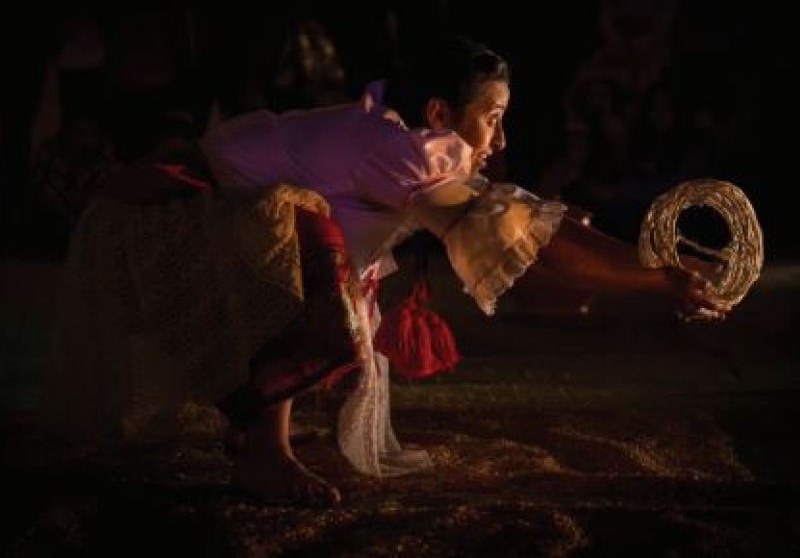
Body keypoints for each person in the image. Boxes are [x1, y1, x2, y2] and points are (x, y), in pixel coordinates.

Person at [37, 36, 729, 508]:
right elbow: (536, 250)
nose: (503, 139)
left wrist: (654, 270)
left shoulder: (417, 148)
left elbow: (540, 226)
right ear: (438, 114)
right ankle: (262, 450)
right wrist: (653, 283)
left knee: (344, 281)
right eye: (492, 118)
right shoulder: (398, 151)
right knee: (312, 250)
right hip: (164, 237)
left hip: (201, 233)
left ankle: (248, 421)